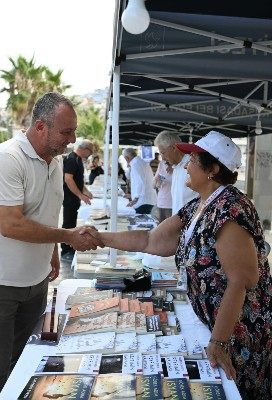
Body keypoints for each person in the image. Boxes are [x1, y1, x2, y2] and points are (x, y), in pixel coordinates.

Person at [90, 131, 271, 398]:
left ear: (213, 169)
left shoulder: (230, 209)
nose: (186, 164)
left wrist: (218, 342)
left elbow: (240, 281)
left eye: (193, 160)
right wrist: (99, 237)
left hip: (238, 334)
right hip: (215, 325)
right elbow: (150, 240)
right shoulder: (199, 205)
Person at [0, 92, 102, 400]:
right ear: (40, 127)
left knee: (25, 361)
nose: (73, 138)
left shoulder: (53, 162)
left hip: (35, 281)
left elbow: (47, 210)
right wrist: (67, 236)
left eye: (74, 130)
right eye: (66, 131)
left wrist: (52, 249)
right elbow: (11, 224)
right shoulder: (6, 159)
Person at [61, 140, 96, 260]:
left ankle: (69, 248)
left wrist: (85, 191)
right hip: (69, 198)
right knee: (68, 224)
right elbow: (68, 179)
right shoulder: (72, 159)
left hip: (73, 198)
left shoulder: (78, 160)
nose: (90, 154)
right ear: (85, 149)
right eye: (91, 151)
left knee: (72, 223)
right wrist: (81, 195)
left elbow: (78, 180)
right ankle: (65, 251)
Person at [154, 130, 197, 214]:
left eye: (163, 153)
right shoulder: (176, 166)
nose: (162, 158)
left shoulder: (193, 164)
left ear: (174, 148)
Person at [121, 147, 156, 214]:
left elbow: (140, 182)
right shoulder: (139, 161)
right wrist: (132, 196)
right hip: (146, 200)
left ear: (126, 158)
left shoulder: (135, 163)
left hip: (143, 202)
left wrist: (135, 199)